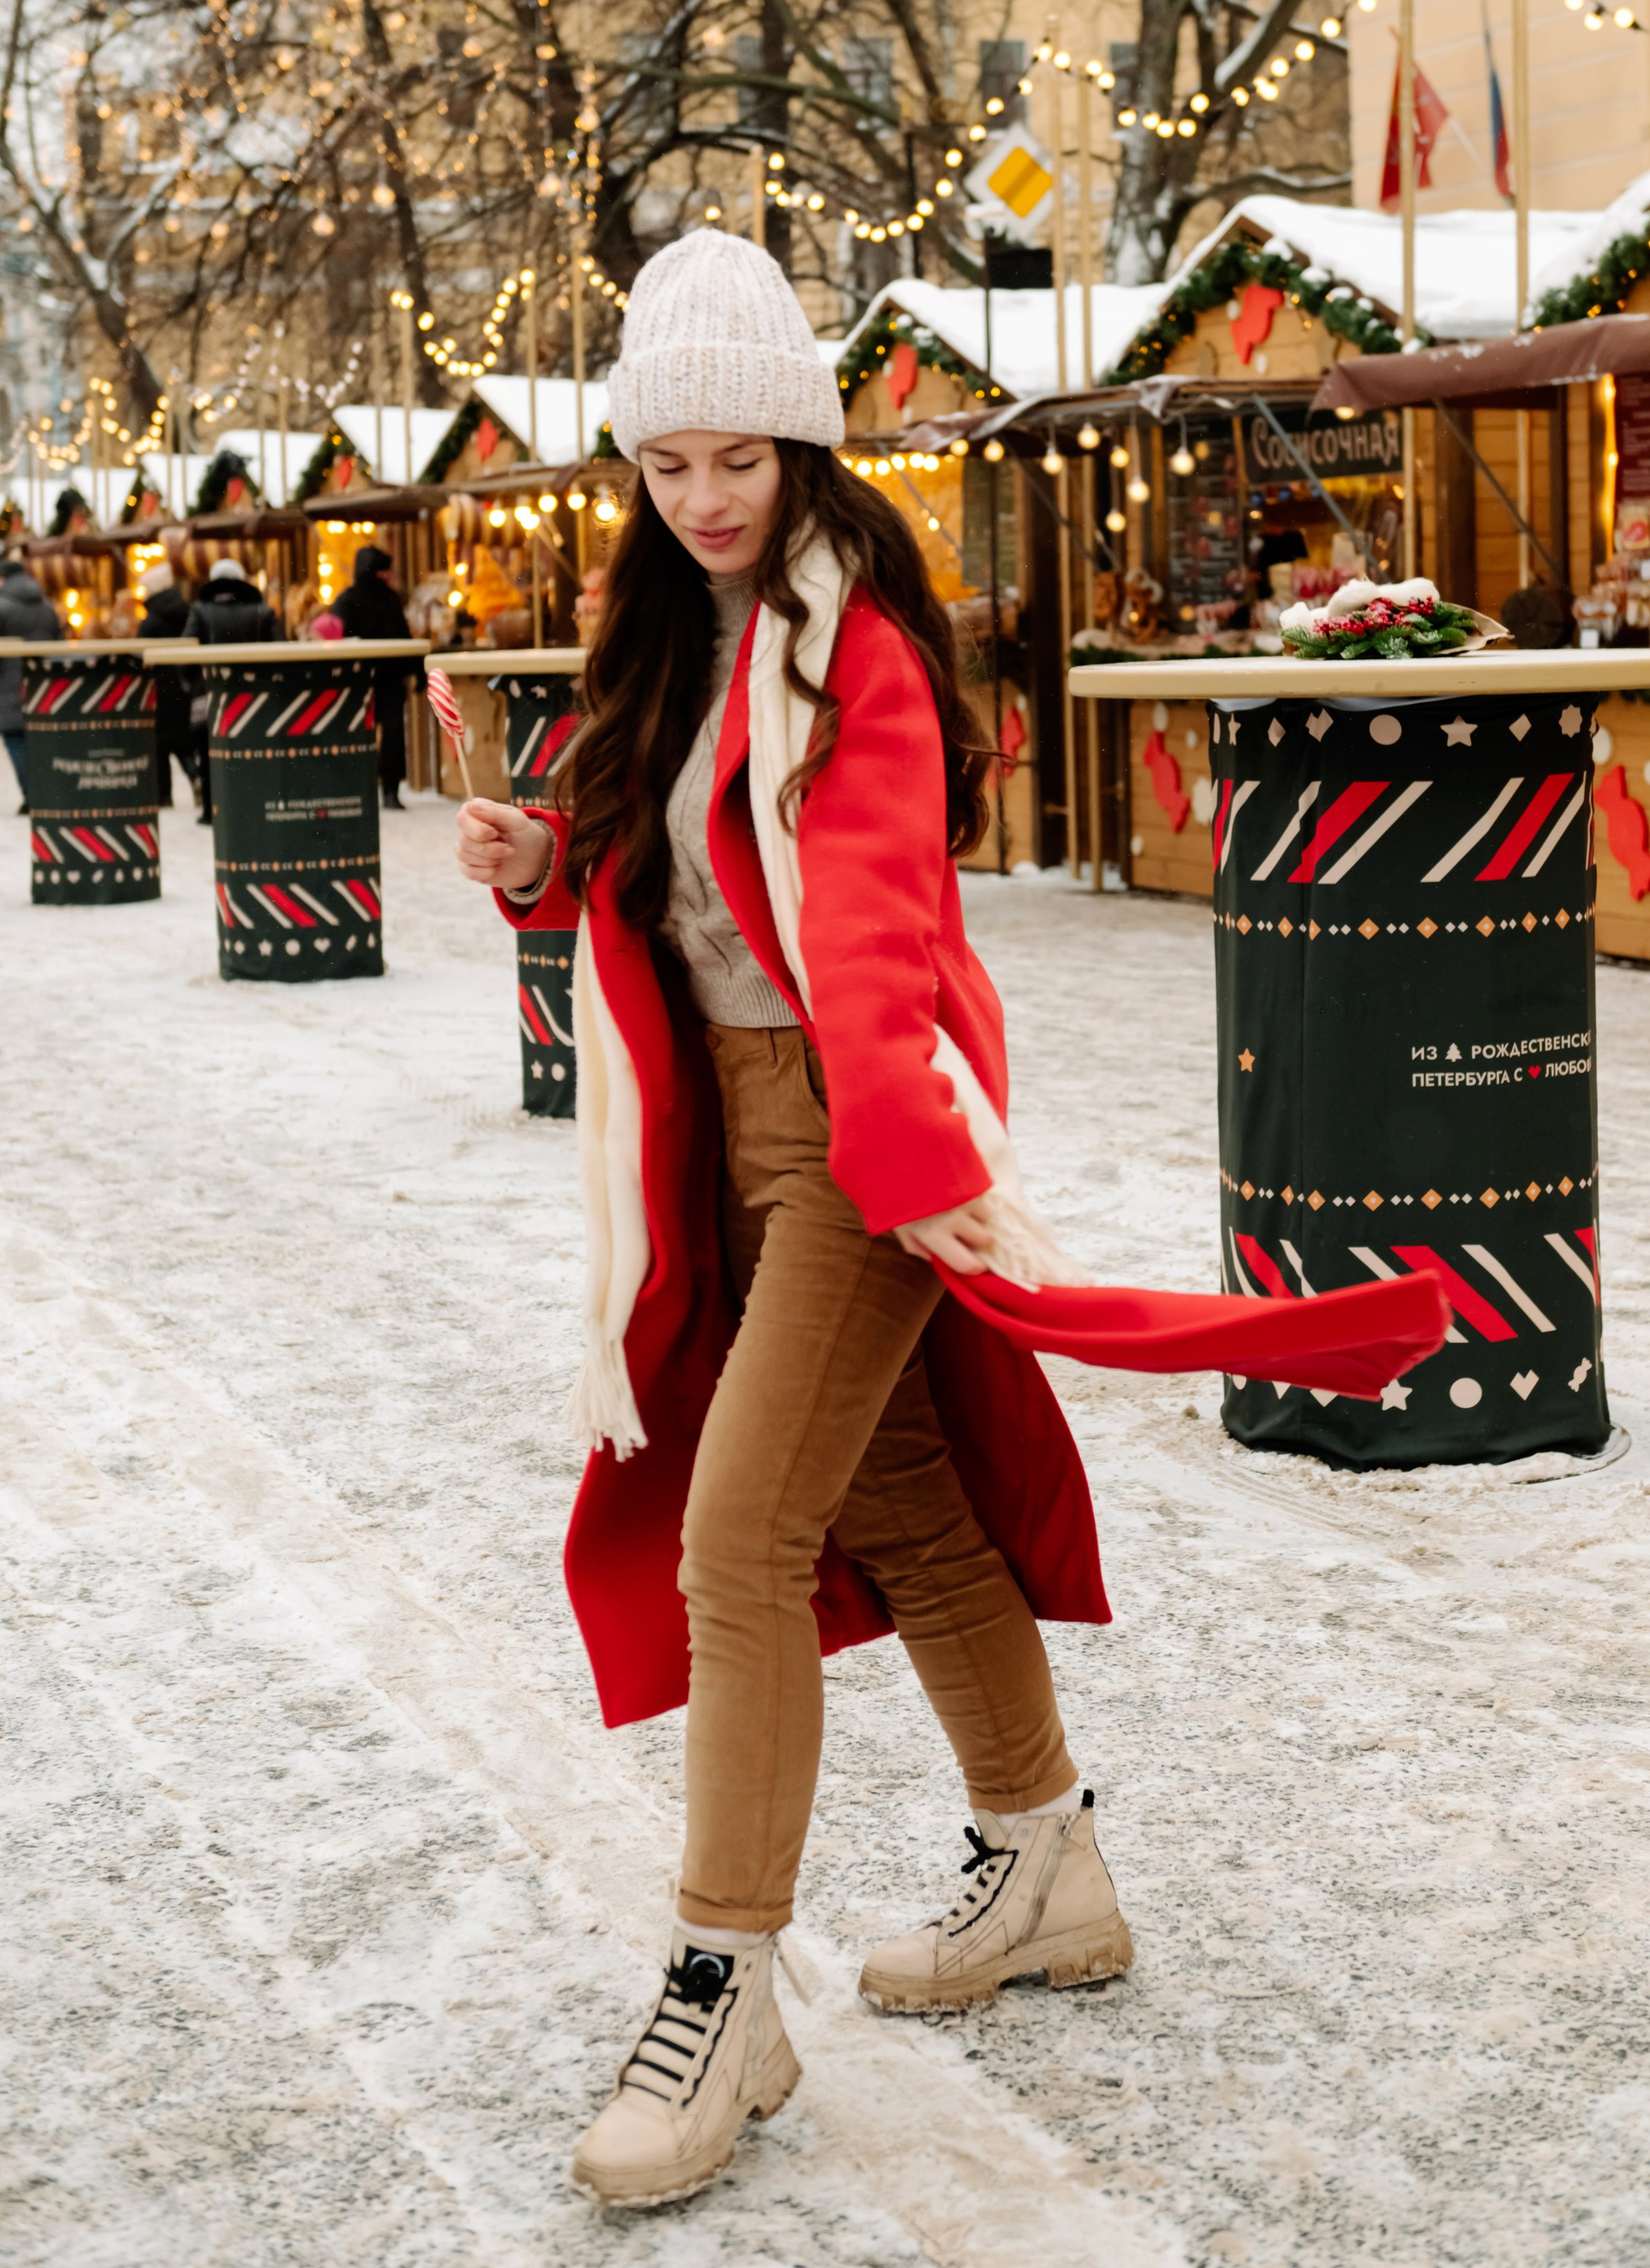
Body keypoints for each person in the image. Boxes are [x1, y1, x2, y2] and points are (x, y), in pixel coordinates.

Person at [453, 236, 1446, 2214]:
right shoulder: (663, 641)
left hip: (854, 1139)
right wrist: (536, 860)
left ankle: (722, 1986)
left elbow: (887, 931)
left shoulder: (859, 653)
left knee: (741, 1539)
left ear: (811, 455)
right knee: (899, 1503)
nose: (710, 496)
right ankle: (1047, 1856)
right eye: (673, 465)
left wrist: (923, 1182)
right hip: (723, 1143)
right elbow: (684, 880)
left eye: (745, 456)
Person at [183, 556, 283, 822]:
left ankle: (210, 810)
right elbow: (280, 651)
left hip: (210, 694)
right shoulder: (262, 611)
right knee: (253, 750)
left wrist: (191, 683)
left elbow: (187, 650)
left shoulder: (201, 610)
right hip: (255, 696)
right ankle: (253, 805)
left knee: (208, 751)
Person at [328, 542, 415, 807]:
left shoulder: (389, 599)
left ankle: (388, 789)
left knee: (390, 734)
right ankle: (359, 788)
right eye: (381, 571)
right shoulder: (349, 600)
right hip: (357, 680)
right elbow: (336, 638)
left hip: (385, 679)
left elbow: (403, 636)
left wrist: (414, 667)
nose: (386, 576)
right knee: (358, 735)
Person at [0, 551, 61, 812]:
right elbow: (60, 642)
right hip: (44, 682)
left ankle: (32, 795)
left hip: (9, 684)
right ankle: (48, 790)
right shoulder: (47, 605)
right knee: (42, 740)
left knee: (16, 740)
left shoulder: (2, 606)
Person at [136, 557, 195, 810]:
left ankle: (164, 795)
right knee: (182, 741)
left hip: (158, 687)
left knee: (159, 743)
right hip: (184, 684)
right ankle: (196, 777)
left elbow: (141, 656)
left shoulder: (150, 622)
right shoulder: (187, 613)